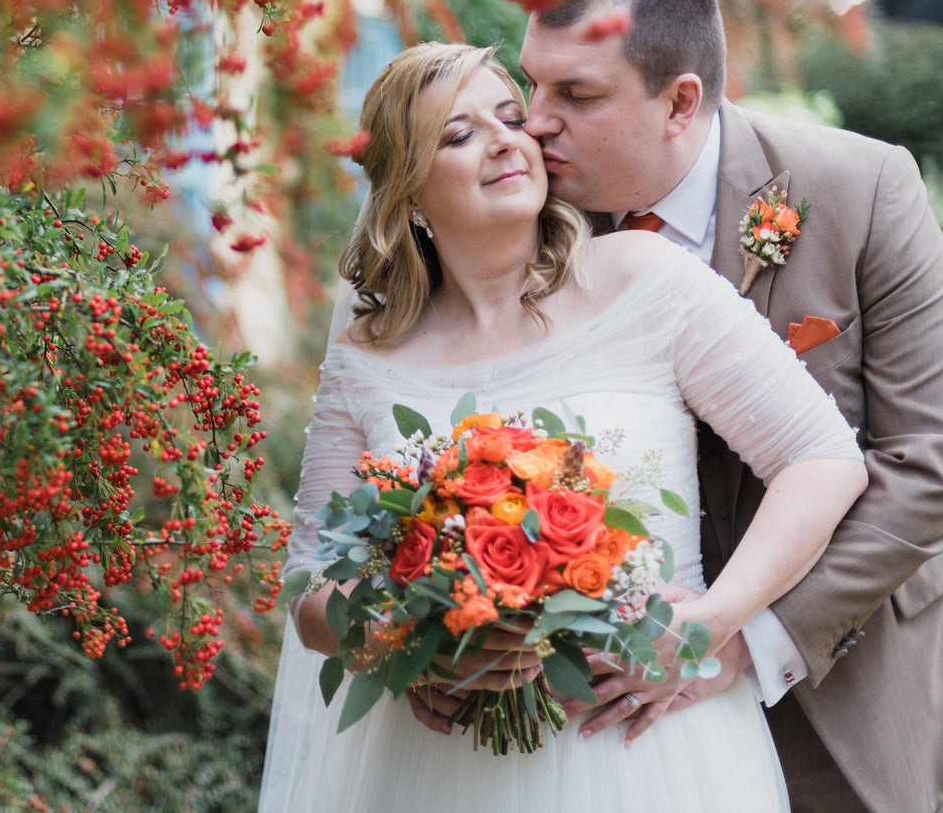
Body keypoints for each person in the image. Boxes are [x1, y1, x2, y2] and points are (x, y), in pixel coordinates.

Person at [257, 41, 868, 812]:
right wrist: (409, 646)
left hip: (650, 751)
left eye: (510, 117)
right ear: (408, 195)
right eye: (457, 134)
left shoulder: (645, 280)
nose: (506, 139)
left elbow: (822, 457)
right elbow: (312, 581)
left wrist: (714, 623)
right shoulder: (367, 358)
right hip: (442, 768)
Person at [508, 0, 943, 812]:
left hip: (846, 657)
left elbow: (928, 466)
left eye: (576, 95)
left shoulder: (862, 189)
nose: (532, 121)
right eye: (531, 83)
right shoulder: (520, 221)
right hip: (602, 694)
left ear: (680, 103)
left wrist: (743, 640)